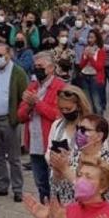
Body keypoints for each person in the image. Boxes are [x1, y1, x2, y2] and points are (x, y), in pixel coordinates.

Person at [19, 52, 67, 203]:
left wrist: (37, 104)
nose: (37, 69)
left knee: (56, 185)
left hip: (52, 145)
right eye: (35, 66)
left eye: (41, 66)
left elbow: (58, 116)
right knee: (41, 185)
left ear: (51, 68)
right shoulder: (32, 86)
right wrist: (28, 106)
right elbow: (20, 115)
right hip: (34, 144)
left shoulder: (60, 87)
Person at [0, 42, 28, 202]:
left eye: (1, 55)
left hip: (9, 120)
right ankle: (1, 185)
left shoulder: (17, 72)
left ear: (9, 55)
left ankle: (17, 189)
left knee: (14, 157)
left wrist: (18, 117)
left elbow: (25, 96)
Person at [50, 114, 109, 205]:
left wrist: (65, 170)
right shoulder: (73, 155)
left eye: (84, 130)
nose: (79, 133)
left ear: (99, 136)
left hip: (96, 215)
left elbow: (91, 192)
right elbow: (57, 189)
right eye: (78, 129)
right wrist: (57, 173)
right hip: (69, 212)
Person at [78, 29, 107, 115]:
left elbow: (99, 67)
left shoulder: (100, 51)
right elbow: (81, 65)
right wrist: (86, 57)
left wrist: (91, 57)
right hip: (85, 76)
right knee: (88, 102)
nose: (89, 39)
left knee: (97, 103)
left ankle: (100, 123)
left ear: (96, 39)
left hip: (95, 78)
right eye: (88, 37)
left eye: (92, 37)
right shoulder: (85, 48)